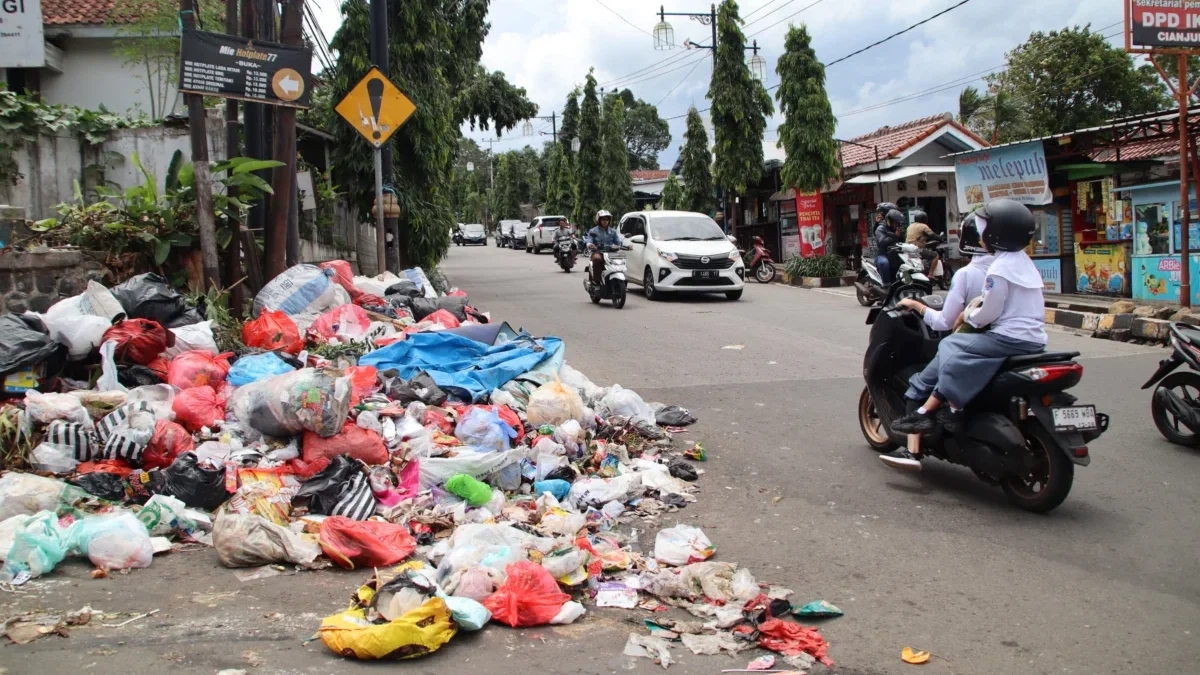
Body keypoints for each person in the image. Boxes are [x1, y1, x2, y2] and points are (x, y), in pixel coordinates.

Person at [881, 199, 1047, 471]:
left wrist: (961, 315)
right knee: (961, 352)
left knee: (947, 352)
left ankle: (928, 420)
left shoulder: (985, 271)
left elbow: (976, 315)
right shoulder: (1023, 262)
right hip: (1035, 339)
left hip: (1004, 337)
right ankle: (950, 410)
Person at [896, 212, 995, 332]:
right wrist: (939, 237)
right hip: (918, 250)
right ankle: (931, 274)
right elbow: (932, 235)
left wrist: (915, 305)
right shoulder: (1014, 267)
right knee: (934, 256)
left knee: (945, 347)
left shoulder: (965, 274)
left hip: (910, 250)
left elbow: (944, 322)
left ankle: (930, 274)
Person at [585, 210, 621, 285]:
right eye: (603, 219)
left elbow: (618, 242)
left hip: (611, 253)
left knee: (621, 259)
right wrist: (590, 244)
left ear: (609, 221)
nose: (605, 221)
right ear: (599, 220)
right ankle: (596, 281)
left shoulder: (613, 232)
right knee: (597, 259)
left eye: (607, 219)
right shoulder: (593, 231)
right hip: (598, 252)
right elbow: (589, 240)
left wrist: (626, 246)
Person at [874, 209, 904, 284]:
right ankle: (886, 284)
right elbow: (882, 242)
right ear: (889, 221)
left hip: (895, 253)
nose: (896, 224)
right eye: (895, 222)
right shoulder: (881, 228)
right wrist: (894, 236)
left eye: (897, 223)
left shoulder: (896, 230)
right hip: (883, 254)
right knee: (884, 263)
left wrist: (901, 236)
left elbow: (902, 242)